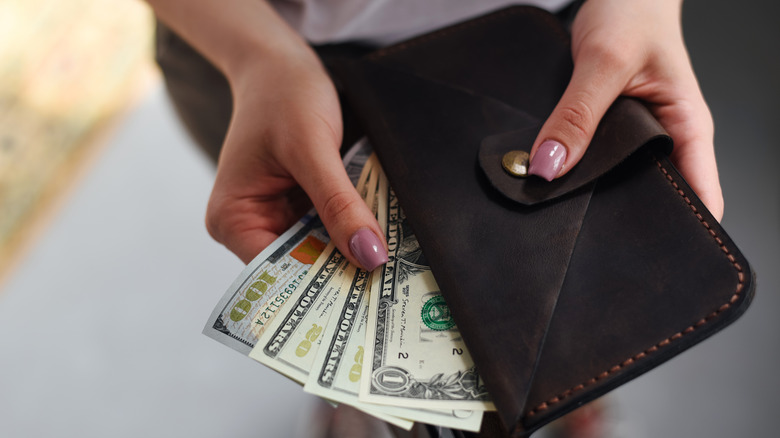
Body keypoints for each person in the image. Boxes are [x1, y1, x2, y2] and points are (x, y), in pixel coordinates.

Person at [146, 0, 722, 436]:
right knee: (357, 299)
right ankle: (367, 399)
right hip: (259, 48)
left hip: (560, 44)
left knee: (576, 318)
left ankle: (568, 385)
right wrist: (257, 57)